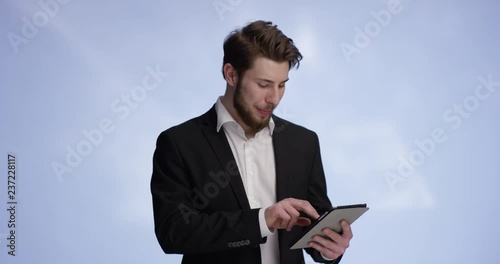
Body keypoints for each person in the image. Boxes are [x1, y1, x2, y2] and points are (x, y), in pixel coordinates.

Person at [150, 20, 353, 264]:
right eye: (263, 85)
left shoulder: (304, 143)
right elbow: (173, 232)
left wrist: (329, 248)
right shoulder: (179, 143)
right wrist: (262, 220)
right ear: (231, 74)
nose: (274, 98)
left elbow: (314, 224)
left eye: (282, 85)